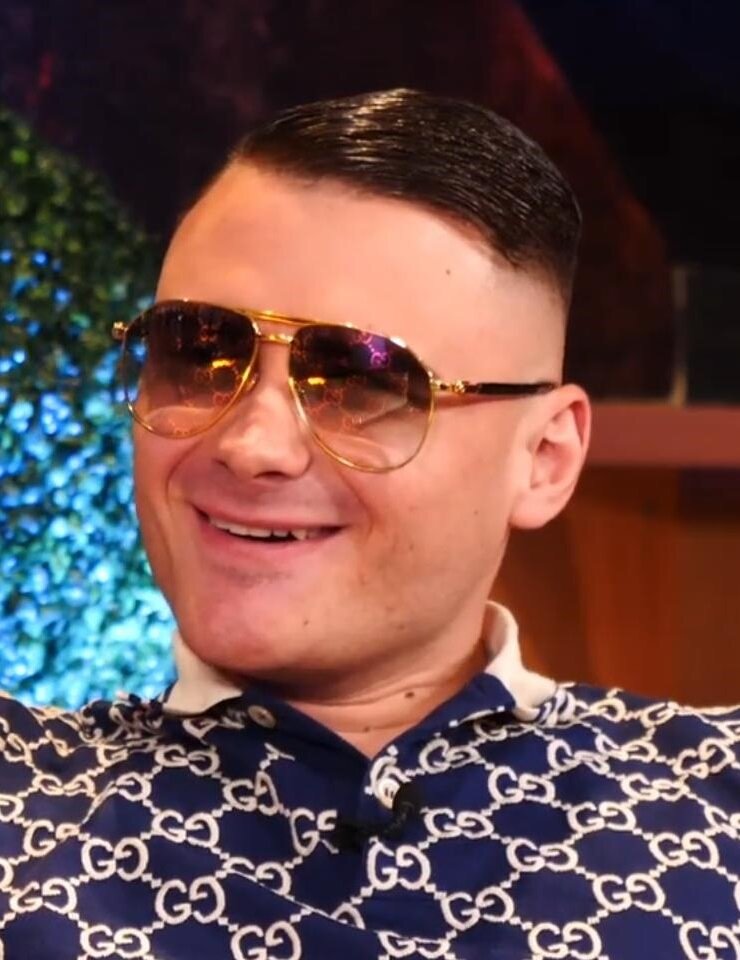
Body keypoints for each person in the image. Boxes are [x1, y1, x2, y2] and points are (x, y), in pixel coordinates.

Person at [0, 89, 737, 960]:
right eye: (199, 354)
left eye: (362, 382)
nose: (250, 445)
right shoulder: (24, 797)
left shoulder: (711, 806)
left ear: (544, 459)